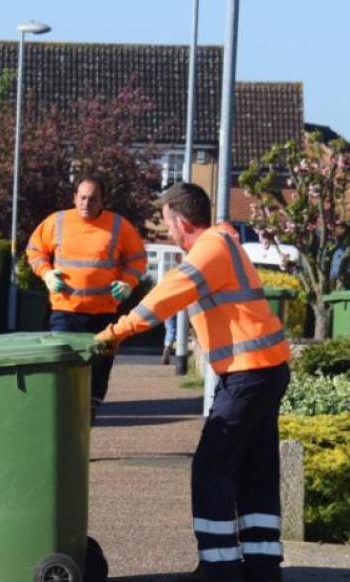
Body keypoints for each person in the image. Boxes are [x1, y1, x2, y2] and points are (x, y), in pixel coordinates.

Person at [94, 183, 290, 582]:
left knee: (211, 466)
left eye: (168, 224)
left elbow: (166, 296)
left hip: (250, 373)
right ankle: (262, 564)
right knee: (255, 466)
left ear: (182, 222)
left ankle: (219, 566)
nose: (169, 233)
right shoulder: (223, 243)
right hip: (263, 369)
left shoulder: (209, 249)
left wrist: (115, 333)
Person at [26, 175, 147, 422]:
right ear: (74, 198)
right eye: (82, 198)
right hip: (65, 312)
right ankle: (61, 418)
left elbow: (137, 259)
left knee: (100, 369)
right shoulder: (57, 222)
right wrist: (46, 273)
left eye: (92, 199)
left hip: (103, 313)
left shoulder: (118, 226)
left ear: (102, 201)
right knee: (63, 366)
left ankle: (87, 416)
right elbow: (34, 250)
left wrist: (128, 283)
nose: (86, 203)